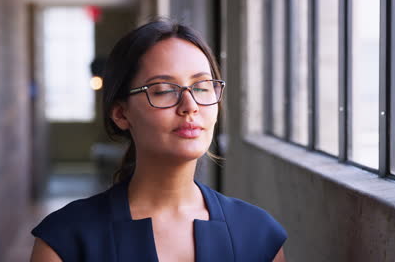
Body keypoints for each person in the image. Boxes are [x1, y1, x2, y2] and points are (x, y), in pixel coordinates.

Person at [30, 19, 287, 262]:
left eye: (201, 87)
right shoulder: (66, 240)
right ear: (121, 114)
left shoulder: (258, 235)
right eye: (164, 90)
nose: (190, 106)